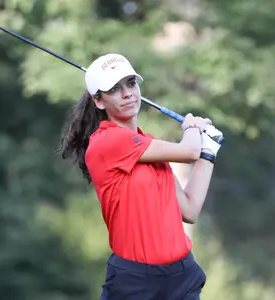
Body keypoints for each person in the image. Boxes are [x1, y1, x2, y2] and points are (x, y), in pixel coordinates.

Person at [58, 53, 223, 300]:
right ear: (99, 101)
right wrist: (191, 127)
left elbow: (189, 210)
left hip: (181, 276)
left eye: (131, 84)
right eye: (114, 89)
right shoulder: (106, 142)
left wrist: (208, 155)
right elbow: (189, 152)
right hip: (136, 282)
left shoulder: (149, 148)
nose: (127, 94)